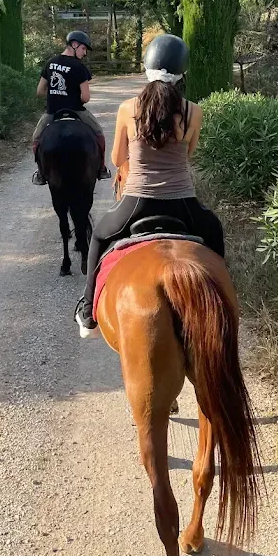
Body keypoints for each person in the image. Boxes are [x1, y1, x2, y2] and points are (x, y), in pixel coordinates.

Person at [74, 33, 224, 337]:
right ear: (182, 72)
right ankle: (224, 309)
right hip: (183, 203)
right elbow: (188, 155)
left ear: (146, 68)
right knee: (215, 231)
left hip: (137, 202)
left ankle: (88, 312)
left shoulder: (128, 108)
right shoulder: (194, 111)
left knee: (99, 236)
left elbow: (118, 159)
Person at [32, 31, 110, 185]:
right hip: (77, 112)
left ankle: (40, 173)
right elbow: (85, 98)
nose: (85, 53)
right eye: (83, 48)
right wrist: (70, 96)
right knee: (99, 134)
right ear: (74, 45)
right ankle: (101, 169)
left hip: (52, 112)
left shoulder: (50, 63)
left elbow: (40, 91)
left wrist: (56, 94)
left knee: (36, 139)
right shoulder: (79, 67)